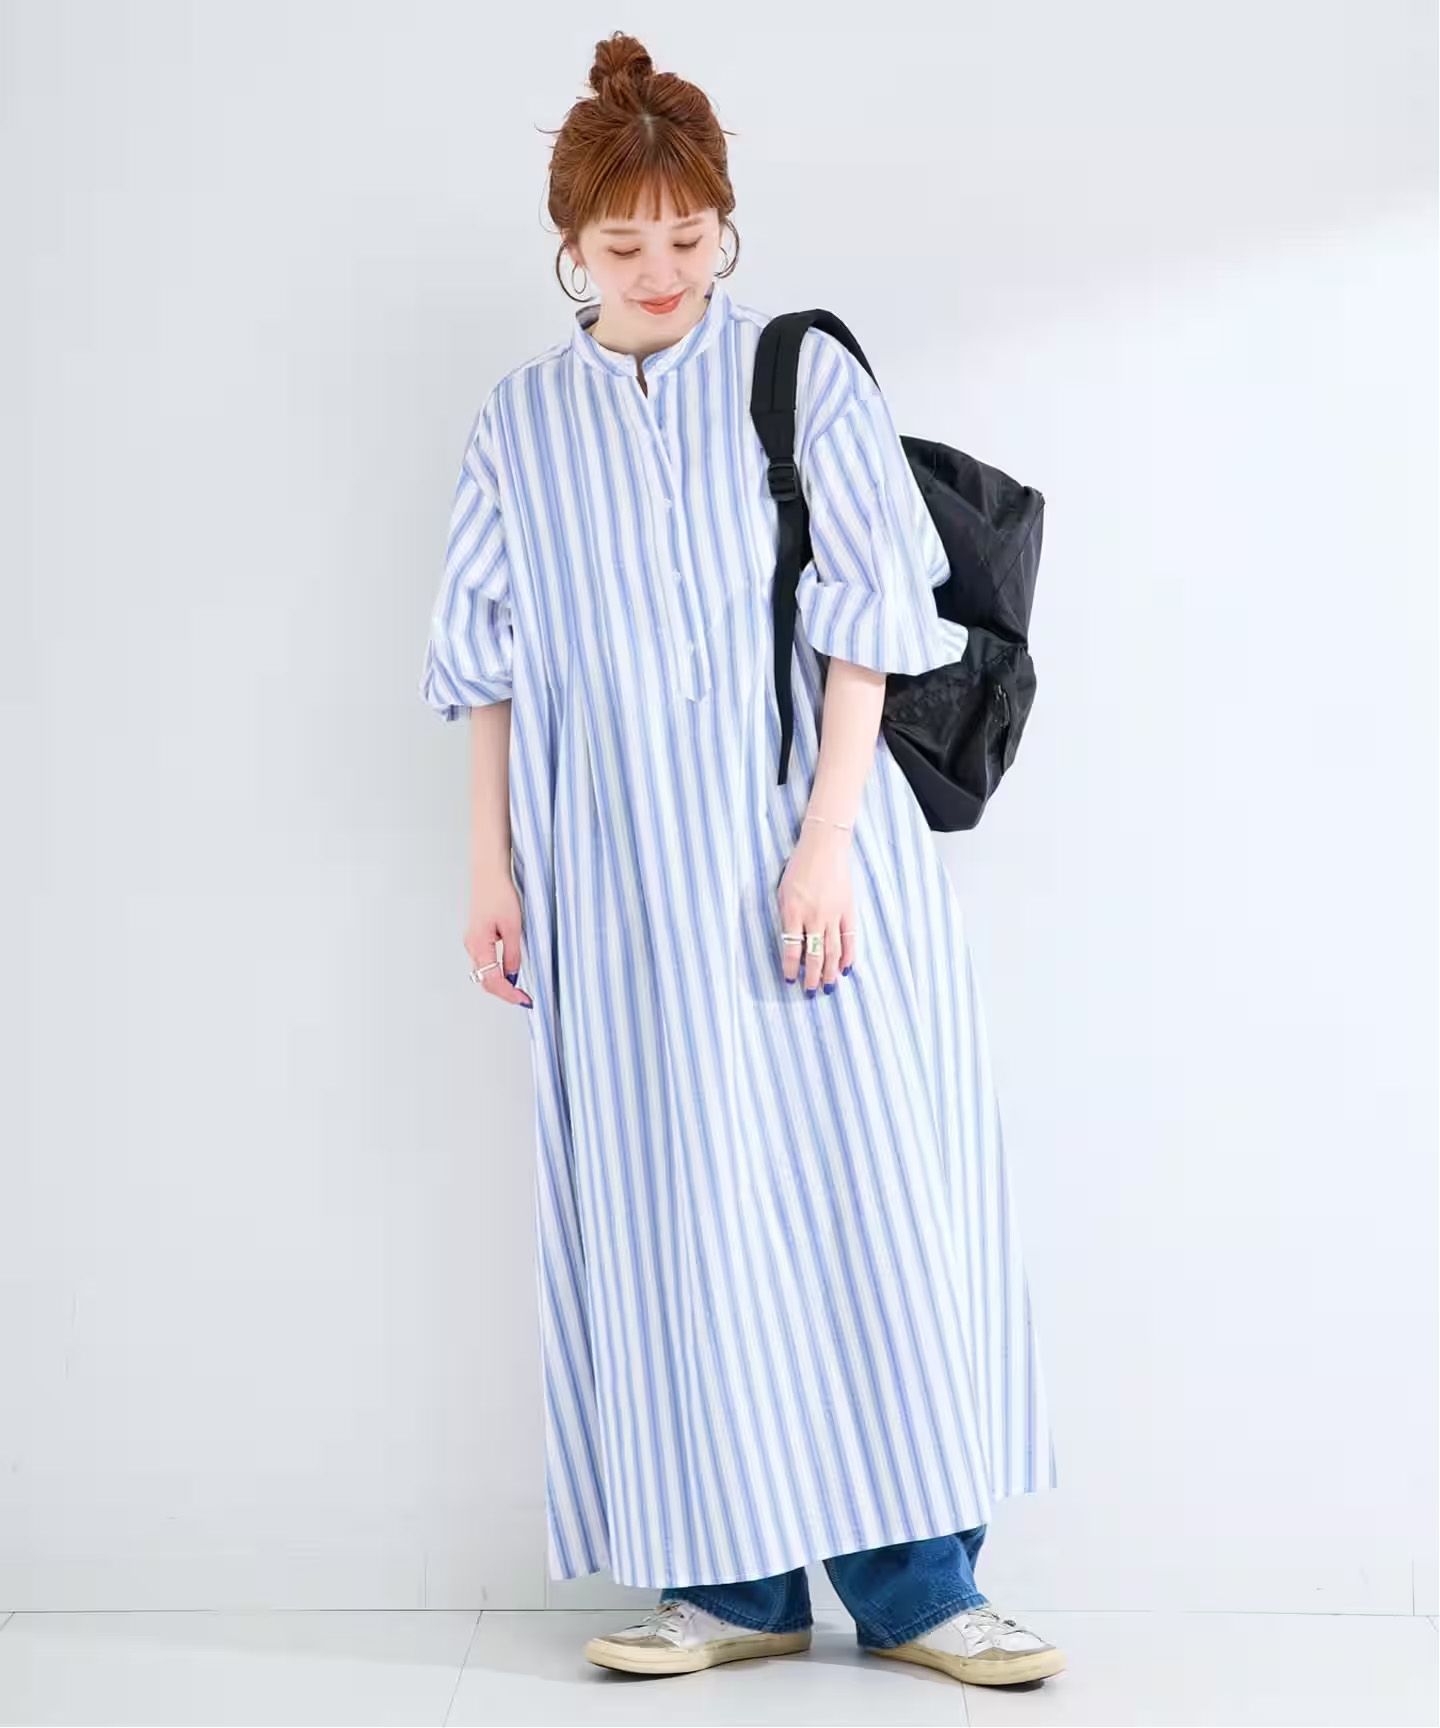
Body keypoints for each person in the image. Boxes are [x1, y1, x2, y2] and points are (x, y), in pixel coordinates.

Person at [420, 30, 1065, 1690]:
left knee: (866, 1204)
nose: (660, 271)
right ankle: (729, 1586)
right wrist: (492, 870)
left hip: (810, 858)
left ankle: (924, 1590)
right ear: (569, 244)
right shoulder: (520, 423)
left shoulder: (799, 374)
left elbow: (872, 619)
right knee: (674, 1218)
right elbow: (485, 663)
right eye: (623, 242)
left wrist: (827, 843)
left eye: (688, 237)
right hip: (616, 884)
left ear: (724, 224)